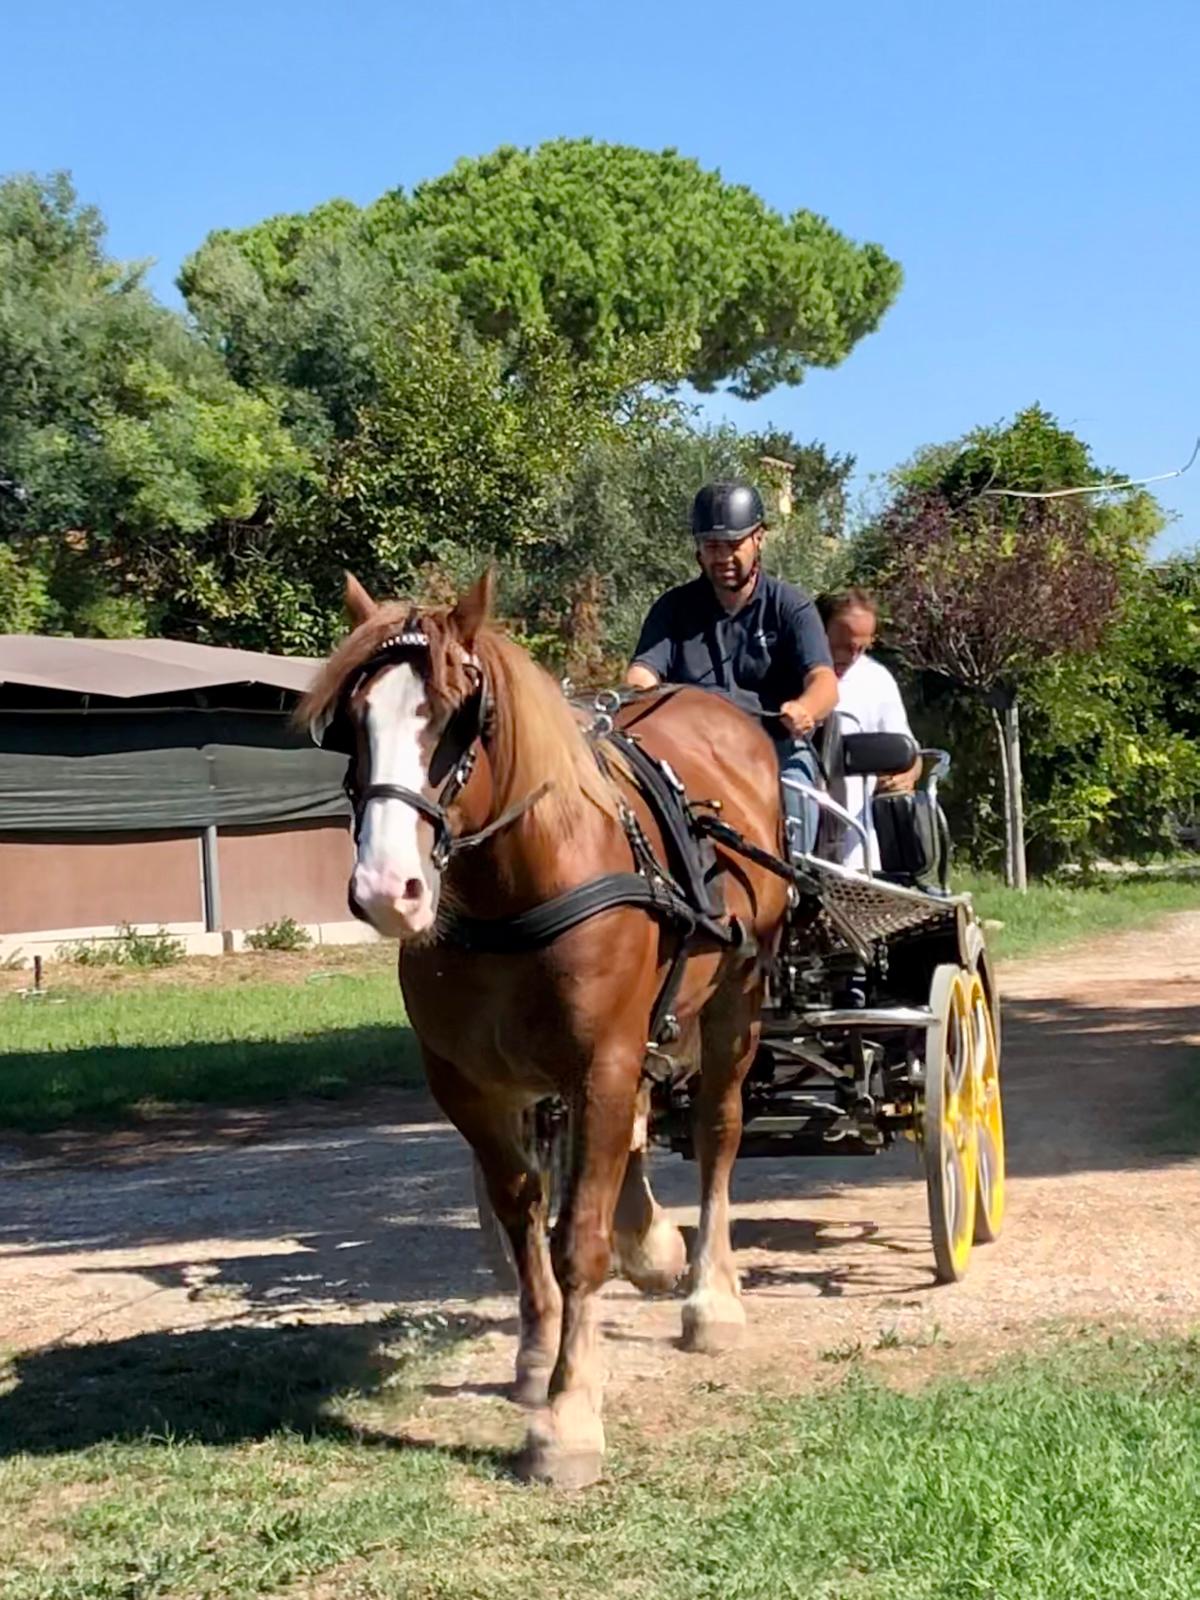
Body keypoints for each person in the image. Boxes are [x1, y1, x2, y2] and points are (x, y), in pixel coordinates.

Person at [625, 481, 838, 857]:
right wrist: (636, 695)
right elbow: (643, 674)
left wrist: (806, 709)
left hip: (775, 747)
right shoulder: (672, 609)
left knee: (795, 788)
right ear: (698, 551)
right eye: (712, 547)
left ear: (759, 539)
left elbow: (824, 682)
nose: (722, 557)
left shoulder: (791, 607)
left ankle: (799, 892)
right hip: (692, 750)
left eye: (733, 545)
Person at [818, 587, 920, 871]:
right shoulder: (783, 673)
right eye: (841, 645)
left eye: (861, 648)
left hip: (856, 847)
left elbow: (908, 752)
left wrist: (906, 774)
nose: (851, 656)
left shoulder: (876, 680)